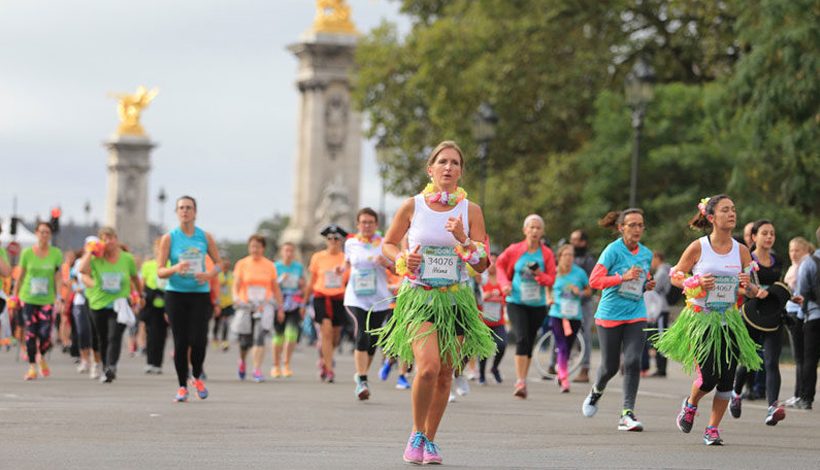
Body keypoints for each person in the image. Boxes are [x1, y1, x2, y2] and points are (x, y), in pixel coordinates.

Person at [370, 141, 496, 465]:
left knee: (445, 373)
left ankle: (430, 438)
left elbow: (483, 263)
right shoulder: (413, 206)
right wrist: (403, 259)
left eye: (455, 163)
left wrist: (464, 239)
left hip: (456, 299)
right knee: (427, 368)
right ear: (431, 169)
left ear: (461, 172)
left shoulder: (471, 211)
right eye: (442, 162)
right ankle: (416, 432)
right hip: (420, 296)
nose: (449, 167)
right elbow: (387, 244)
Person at [654, 195, 762, 445]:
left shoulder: (742, 250)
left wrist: (747, 285)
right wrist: (696, 282)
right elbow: (675, 276)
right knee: (708, 377)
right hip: (701, 319)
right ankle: (691, 404)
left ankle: (712, 428)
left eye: (733, 209)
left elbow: (752, 289)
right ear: (711, 217)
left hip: (729, 320)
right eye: (725, 210)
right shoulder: (698, 247)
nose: (732, 214)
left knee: (726, 380)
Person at [581, 208, 655, 432]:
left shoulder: (646, 254)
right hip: (610, 314)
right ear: (621, 228)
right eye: (632, 225)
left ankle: (627, 413)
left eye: (640, 225)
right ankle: (596, 391)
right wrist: (622, 277)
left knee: (632, 361)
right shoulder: (612, 251)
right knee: (609, 367)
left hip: (636, 313)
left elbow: (641, 280)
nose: (637, 229)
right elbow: (594, 281)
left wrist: (647, 284)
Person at [157, 195, 222, 402]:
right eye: (181, 208)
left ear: (195, 212)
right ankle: (182, 386)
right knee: (181, 341)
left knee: (199, 340)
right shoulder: (169, 238)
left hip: (199, 294)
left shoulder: (204, 237)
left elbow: (220, 263)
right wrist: (175, 268)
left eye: (189, 207)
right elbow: (160, 271)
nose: (185, 211)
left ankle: (197, 376)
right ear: (177, 212)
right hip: (175, 294)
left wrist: (209, 274)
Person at [730, 219, 788, 425]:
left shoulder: (778, 260)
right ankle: (736, 394)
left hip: (773, 315)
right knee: (749, 361)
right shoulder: (747, 259)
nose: (769, 237)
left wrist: (790, 296)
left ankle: (772, 407)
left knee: (771, 361)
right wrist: (752, 291)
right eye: (764, 233)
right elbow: (735, 285)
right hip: (751, 316)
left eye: (772, 233)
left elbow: (780, 286)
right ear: (754, 237)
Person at [495, 214, 556, 399]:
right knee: (521, 338)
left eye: (538, 228)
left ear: (542, 232)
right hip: (516, 301)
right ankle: (520, 381)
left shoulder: (547, 254)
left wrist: (539, 274)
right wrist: (504, 284)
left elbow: (551, 279)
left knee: (529, 340)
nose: (534, 231)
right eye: (531, 227)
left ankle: (523, 379)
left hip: (537, 304)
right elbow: (499, 265)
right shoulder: (515, 249)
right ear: (525, 230)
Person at [78, 227, 141, 383]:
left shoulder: (127, 258)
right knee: (102, 337)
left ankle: (111, 367)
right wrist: (90, 252)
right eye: (104, 239)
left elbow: (135, 278)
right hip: (98, 303)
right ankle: (105, 367)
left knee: (115, 335)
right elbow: (82, 270)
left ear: (116, 239)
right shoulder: (96, 258)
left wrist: (140, 294)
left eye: (110, 238)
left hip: (120, 303)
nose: (108, 242)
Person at [344, 208, 395, 400]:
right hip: (355, 297)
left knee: (372, 341)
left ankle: (361, 373)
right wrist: (341, 269)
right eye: (363, 222)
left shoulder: (385, 244)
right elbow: (347, 264)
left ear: (376, 224)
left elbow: (398, 270)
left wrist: (387, 263)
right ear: (358, 224)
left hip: (379, 299)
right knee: (361, 335)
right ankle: (362, 381)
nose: (366, 226)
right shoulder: (350, 243)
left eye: (370, 222)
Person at [10, 222, 63, 380]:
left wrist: (59, 297)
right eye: (41, 232)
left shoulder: (56, 253)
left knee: (45, 334)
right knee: (31, 332)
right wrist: (14, 295)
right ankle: (32, 366)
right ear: (36, 233)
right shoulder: (27, 253)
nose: (44, 235)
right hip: (28, 298)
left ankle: (42, 356)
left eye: (47, 232)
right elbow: (20, 276)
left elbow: (58, 277)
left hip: (47, 299)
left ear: (50, 235)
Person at [232, 234, 285, 382]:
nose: (255, 249)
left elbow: (275, 288)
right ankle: (242, 361)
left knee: (260, 336)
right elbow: (236, 285)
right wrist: (236, 297)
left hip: (264, 305)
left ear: (263, 248)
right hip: (246, 304)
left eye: (258, 247)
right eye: (252, 246)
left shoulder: (270, 266)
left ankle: (257, 369)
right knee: (245, 341)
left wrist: (280, 307)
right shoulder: (242, 264)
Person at [306, 224, 349, 383]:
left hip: (339, 298)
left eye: (336, 238)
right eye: (330, 238)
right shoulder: (318, 257)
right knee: (326, 332)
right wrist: (304, 301)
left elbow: (350, 280)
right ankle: (329, 369)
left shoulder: (346, 259)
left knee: (335, 337)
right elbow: (312, 281)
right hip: (321, 297)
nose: (333, 241)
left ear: (341, 240)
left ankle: (325, 357)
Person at [548, 244, 590, 392]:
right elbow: (546, 286)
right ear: (559, 257)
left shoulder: (580, 273)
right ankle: (564, 379)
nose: (569, 258)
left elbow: (589, 290)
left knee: (568, 346)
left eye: (571, 255)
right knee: (562, 346)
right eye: (565, 255)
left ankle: (561, 370)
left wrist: (580, 292)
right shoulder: (554, 272)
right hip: (558, 314)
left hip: (574, 315)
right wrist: (549, 298)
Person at [783, 237, 814, 407]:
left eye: (797, 250)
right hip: (794, 312)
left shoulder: (803, 267)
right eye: (791, 250)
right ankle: (799, 394)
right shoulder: (794, 267)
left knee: (800, 357)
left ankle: (799, 394)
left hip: (798, 314)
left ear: (806, 251)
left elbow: (801, 293)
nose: (793, 254)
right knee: (800, 357)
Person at [794, 225, 820, 410]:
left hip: (814, 316)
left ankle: (806, 398)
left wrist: (802, 314)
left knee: (810, 359)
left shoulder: (809, 262)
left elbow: (802, 291)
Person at [272, 242, 305, 378]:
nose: (289, 253)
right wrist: (280, 280)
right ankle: (276, 365)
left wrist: (303, 304)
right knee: (278, 336)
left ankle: (286, 364)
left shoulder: (298, 267)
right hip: (279, 302)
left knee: (291, 335)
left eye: (291, 251)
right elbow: (272, 285)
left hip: (294, 303)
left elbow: (303, 286)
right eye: (286, 250)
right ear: (281, 252)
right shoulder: (276, 267)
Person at [70, 245, 102, 378]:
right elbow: (72, 277)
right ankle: (84, 360)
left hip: (96, 300)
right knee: (82, 331)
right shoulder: (79, 262)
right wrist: (75, 287)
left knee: (95, 332)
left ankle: (96, 362)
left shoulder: (101, 262)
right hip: (80, 300)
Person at [570, 229, 597, 383]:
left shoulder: (589, 260)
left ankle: (584, 369)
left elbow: (592, 285)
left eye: (576, 240)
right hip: (566, 302)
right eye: (572, 239)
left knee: (584, 335)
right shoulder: (568, 258)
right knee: (558, 332)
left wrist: (579, 293)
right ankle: (554, 365)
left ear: (583, 242)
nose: (573, 243)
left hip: (583, 304)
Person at [141, 238, 168, 374]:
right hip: (151, 302)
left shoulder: (171, 264)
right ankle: (150, 362)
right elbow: (142, 284)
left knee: (162, 334)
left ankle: (158, 363)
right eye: (158, 247)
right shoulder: (148, 265)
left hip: (166, 303)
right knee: (151, 333)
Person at [479, 253, 507, 385]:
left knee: (502, 345)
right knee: (484, 350)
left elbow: (506, 298)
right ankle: (481, 375)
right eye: (490, 261)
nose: (492, 265)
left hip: (498, 321)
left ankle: (495, 368)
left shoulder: (502, 282)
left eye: (495, 262)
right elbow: (476, 297)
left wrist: (502, 297)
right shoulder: (482, 280)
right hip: (483, 321)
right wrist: (485, 295)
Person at [642, 252, 671, 377]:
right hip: (659, 308)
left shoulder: (662, 272)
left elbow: (654, 289)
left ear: (658, 258)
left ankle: (661, 368)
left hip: (661, 309)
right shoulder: (663, 271)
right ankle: (660, 367)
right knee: (658, 337)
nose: (651, 263)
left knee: (661, 338)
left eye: (652, 259)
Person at [213, 258, 234, 352]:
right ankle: (215, 338)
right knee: (217, 322)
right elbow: (214, 286)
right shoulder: (217, 274)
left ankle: (224, 340)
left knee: (226, 322)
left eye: (227, 266)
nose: (226, 267)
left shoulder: (231, 275)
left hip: (228, 302)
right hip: (218, 302)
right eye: (224, 265)